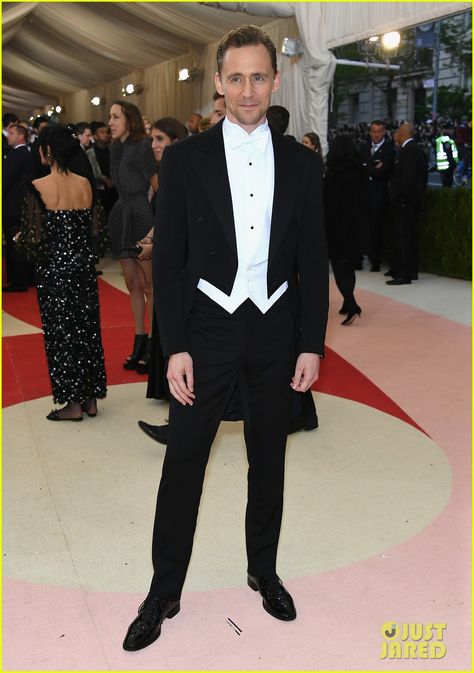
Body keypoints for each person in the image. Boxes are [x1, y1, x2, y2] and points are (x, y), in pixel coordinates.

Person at [123, 24, 328, 652]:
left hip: (275, 333)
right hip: (207, 333)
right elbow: (173, 258)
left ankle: (262, 571)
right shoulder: (184, 159)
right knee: (183, 462)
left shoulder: (302, 162)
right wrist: (175, 346)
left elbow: (311, 257)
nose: (247, 89)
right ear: (218, 83)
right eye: (235, 77)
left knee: (269, 460)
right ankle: (164, 590)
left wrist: (311, 344)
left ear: (275, 79)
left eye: (258, 76)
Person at [15, 124, 107, 420]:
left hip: (54, 272)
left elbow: (32, 242)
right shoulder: (84, 184)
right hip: (82, 271)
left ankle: (73, 405)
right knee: (87, 332)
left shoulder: (38, 186)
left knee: (61, 335)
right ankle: (91, 399)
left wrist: (19, 241)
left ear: (48, 151)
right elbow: (97, 236)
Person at [108, 100, 158, 371]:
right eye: (110, 117)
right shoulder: (116, 148)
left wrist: (157, 224)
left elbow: (157, 186)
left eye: (116, 117)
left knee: (149, 284)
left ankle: (152, 344)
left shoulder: (143, 146)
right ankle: (139, 338)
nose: (111, 122)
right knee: (132, 283)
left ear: (130, 119)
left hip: (141, 215)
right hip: (121, 214)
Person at [324, 134, 369, 324]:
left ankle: (351, 303)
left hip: (335, 226)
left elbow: (324, 203)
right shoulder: (361, 172)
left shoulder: (331, 174)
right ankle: (347, 301)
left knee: (339, 265)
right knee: (348, 265)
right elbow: (367, 200)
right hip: (356, 225)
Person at [386, 122, 427, 285]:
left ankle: (405, 273)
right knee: (406, 237)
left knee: (405, 237)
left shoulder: (410, 150)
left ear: (403, 133)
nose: (395, 134)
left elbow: (408, 179)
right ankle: (407, 271)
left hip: (406, 203)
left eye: (397, 131)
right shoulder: (410, 149)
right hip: (407, 202)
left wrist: (401, 199)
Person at [358, 120, 395, 272]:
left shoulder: (389, 149)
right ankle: (361, 258)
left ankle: (375, 261)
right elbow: (360, 167)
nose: (376, 135)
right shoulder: (364, 147)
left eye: (379, 131)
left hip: (379, 197)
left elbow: (382, 172)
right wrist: (371, 167)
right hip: (364, 195)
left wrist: (367, 167)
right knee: (363, 228)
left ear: (384, 132)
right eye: (373, 131)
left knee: (377, 230)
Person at [3, 124, 35, 292]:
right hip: (22, 206)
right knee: (23, 242)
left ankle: (19, 282)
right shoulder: (26, 153)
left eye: (11, 133)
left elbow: (5, 179)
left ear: (21, 136)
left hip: (12, 206)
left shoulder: (16, 154)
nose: (8, 135)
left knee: (14, 244)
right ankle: (29, 278)